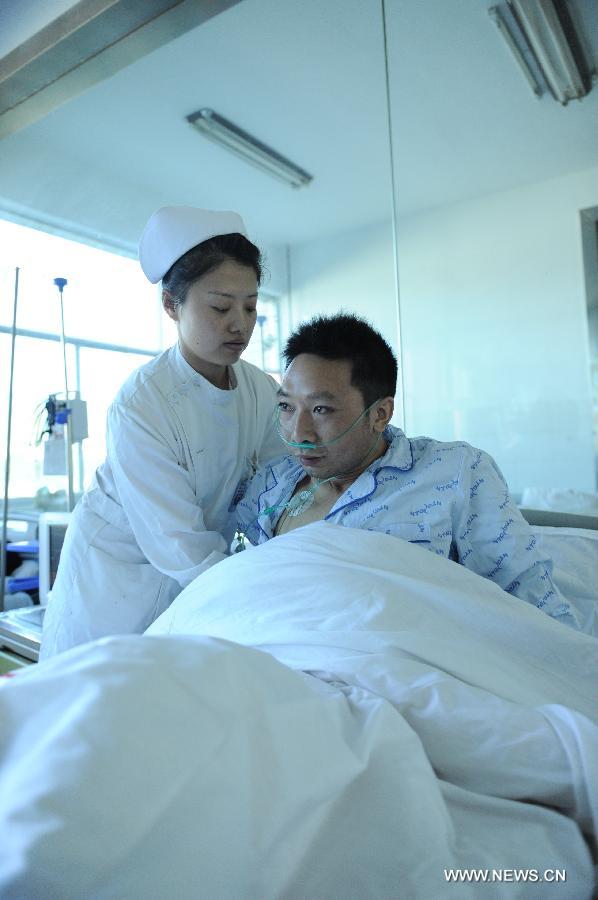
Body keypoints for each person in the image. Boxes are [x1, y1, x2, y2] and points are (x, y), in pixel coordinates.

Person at [41, 206, 282, 658]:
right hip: (116, 584)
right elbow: (179, 544)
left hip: (197, 575)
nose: (240, 323)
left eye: (250, 306)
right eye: (220, 306)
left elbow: (282, 482)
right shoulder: (143, 403)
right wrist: (256, 599)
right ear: (172, 305)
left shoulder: (258, 389)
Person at [236, 312, 578, 627]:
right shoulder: (271, 484)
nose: (299, 433)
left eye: (321, 409)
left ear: (380, 414)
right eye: (286, 406)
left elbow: (533, 602)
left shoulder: (455, 473)